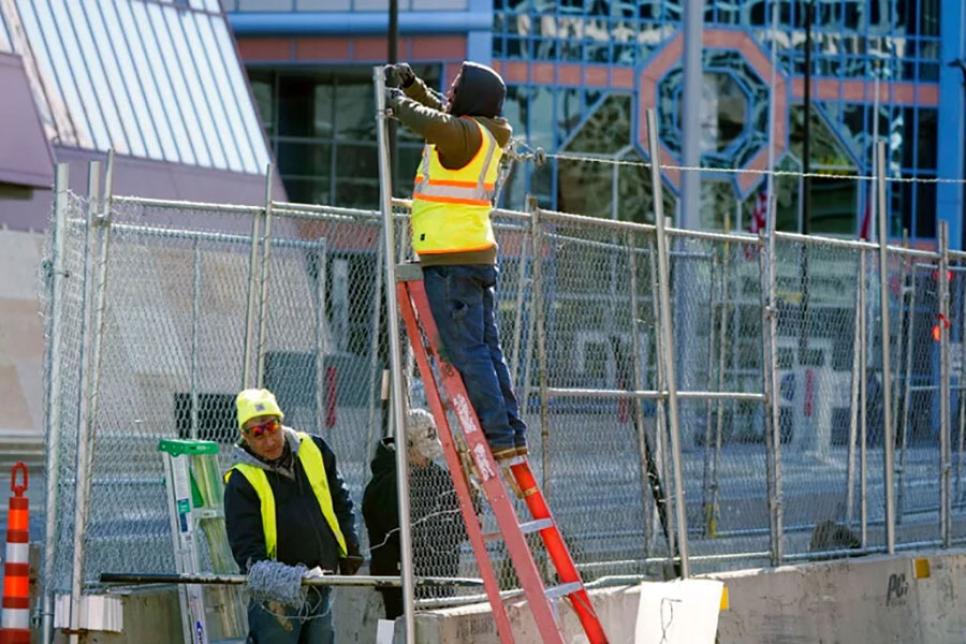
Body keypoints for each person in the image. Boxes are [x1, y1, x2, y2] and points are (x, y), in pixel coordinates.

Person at [384, 61, 527, 461]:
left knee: (468, 352)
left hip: (450, 259)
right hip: (473, 255)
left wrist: (396, 103)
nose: (450, 90)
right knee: (486, 349)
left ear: (472, 96)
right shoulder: (481, 133)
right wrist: (413, 88)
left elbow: (434, 122)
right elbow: (440, 112)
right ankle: (510, 431)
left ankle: (496, 434)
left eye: (458, 85)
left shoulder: (462, 135)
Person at [224, 388, 361, 643]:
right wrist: (287, 579)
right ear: (245, 437)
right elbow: (247, 551)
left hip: (320, 580)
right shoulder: (241, 480)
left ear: (281, 421)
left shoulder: (314, 449)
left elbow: (340, 499)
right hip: (276, 595)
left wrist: (348, 543)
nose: (269, 439)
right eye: (257, 433)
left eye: (272, 426)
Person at [362, 408, 468, 619]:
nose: (428, 459)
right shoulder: (385, 484)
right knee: (390, 633)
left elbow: (463, 521)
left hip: (439, 581)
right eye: (423, 451)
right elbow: (408, 531)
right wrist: (449, 530)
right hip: (396, 585)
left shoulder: (436, 476)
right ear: (407, 446)